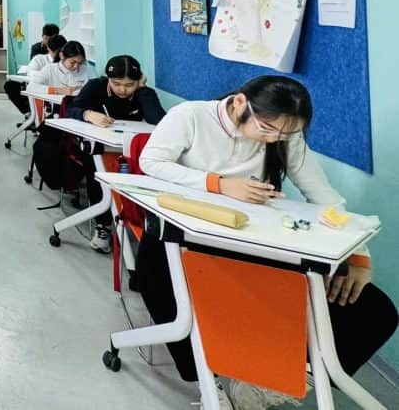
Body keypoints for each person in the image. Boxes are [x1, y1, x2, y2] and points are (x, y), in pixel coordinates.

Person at [138, 76, 397, 408]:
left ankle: (273, 383)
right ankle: (208, 381)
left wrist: (359, 255)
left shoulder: (284, 136)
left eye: (285, 134)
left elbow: (322, 195)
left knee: (375, 311)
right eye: (267, 129)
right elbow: (151, 162)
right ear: (240, 103)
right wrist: (219, 184)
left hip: (250, 244)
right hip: (181, 238)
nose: (274, 139)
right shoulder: (191, 116)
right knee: (164, 285)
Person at [65, 54, 166, 253]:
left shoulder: (144, 93)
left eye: (129, 84)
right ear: (108, 79)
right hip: (96, 146)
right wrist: (88, 115)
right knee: (98, 171)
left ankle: (139, 218)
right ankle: (103, 225)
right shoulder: (96, 86)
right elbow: (71, 108)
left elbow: (158, 120)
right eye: (117, 83)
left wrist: (143, 90)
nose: (122, 89)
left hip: (130, 150)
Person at [4, 35, 67, 116]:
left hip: (59, 94)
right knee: (10, 85)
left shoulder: (68, 61)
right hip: (42, 90)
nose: (58, 55)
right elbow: (31, 72)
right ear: (48, 49)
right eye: (55, 52)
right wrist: (46, 75)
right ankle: (29, 113)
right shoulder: (39, 59)